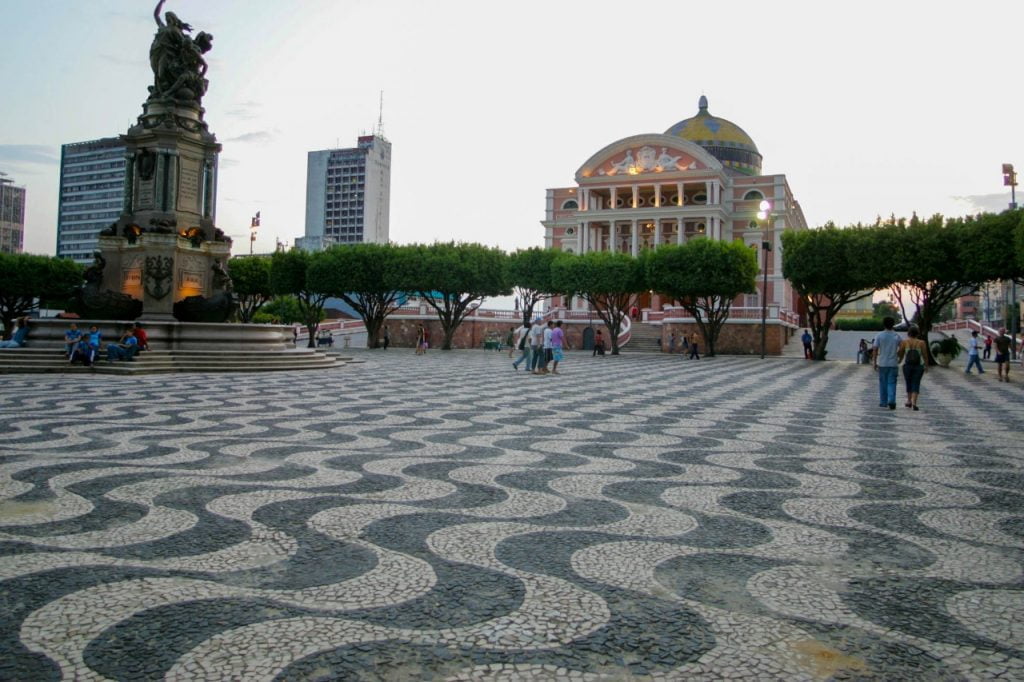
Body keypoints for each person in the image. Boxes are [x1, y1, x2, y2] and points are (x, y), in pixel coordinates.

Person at [873, 316, 901, 410]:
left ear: (884, 324)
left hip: (882, 363)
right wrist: (898, 356)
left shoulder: (879, 335)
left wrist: (874, 362)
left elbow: (875, 349)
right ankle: (892, 400)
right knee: (892, 383)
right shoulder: (896, 336)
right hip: (893, 363)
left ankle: (883, 402)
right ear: (893, 324)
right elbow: (902, 347)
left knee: (883, 383)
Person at [898, 325, 927, 411]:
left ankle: (908, 401)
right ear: (917, 333)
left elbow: (901, 354)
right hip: (918, 366)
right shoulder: (922, 343)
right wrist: (926, 365)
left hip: (907, 366)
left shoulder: (904, 342)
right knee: (916, 383)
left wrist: (899, 361)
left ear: (908, 333)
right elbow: (925, 355)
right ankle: (914, 402)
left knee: (908, 382)